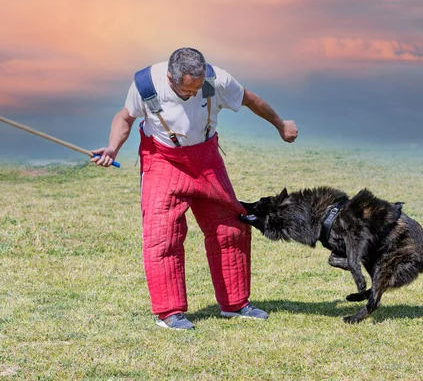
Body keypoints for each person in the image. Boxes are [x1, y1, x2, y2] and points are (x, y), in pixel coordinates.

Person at [92, 47, 298, 330]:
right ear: (170, 77)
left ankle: (235, 304)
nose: (193, 94)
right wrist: (113, 148)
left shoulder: (216, 80)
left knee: (231, 228)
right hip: (162, 159)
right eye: (186, 90)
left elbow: (249, 99)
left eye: (198, 88)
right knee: (163, 236)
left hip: (206, 158)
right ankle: (170, 313)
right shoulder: (146, 84)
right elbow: (125, 118)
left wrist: (280, 124)